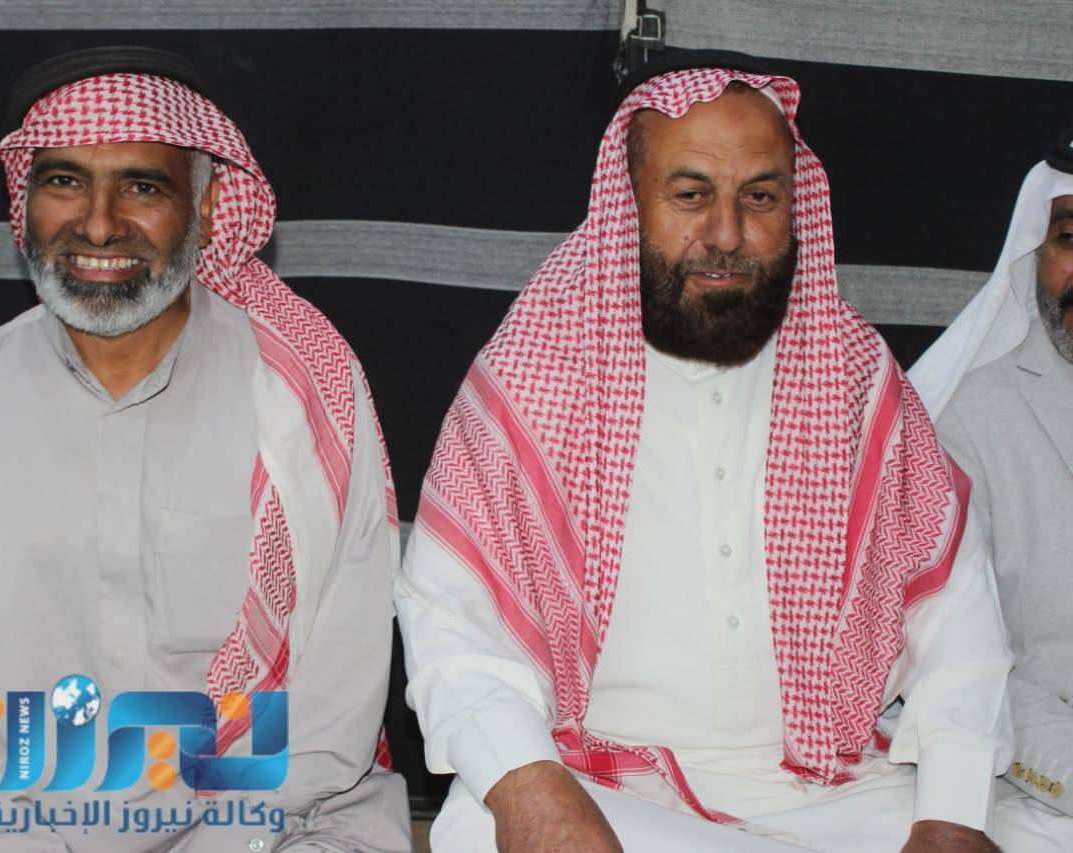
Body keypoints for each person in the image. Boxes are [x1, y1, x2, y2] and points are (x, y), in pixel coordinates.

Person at [395, 51, 1058, 851]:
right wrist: (533, 788)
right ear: (628, 203)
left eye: (760, 197)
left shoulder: (851, 374)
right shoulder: (536, 374)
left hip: (830, 788)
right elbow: (453, 621)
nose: (728, 234)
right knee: (483, 826)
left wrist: (950, 815)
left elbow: (957, 619)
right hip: (605, 784)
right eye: (691, 195)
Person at [0, 46, 409, 852]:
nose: (99, 224)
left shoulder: (304, 396)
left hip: (274, 828)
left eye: (142, 187)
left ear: (206, 203)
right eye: (65, 182)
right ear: (24, 200)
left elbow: (329, 715)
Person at [910, 127, 1073, 822]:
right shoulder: (965, 414)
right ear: (1035, 252)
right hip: (1030, 785)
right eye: (1071, 238)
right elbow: (958, 661)